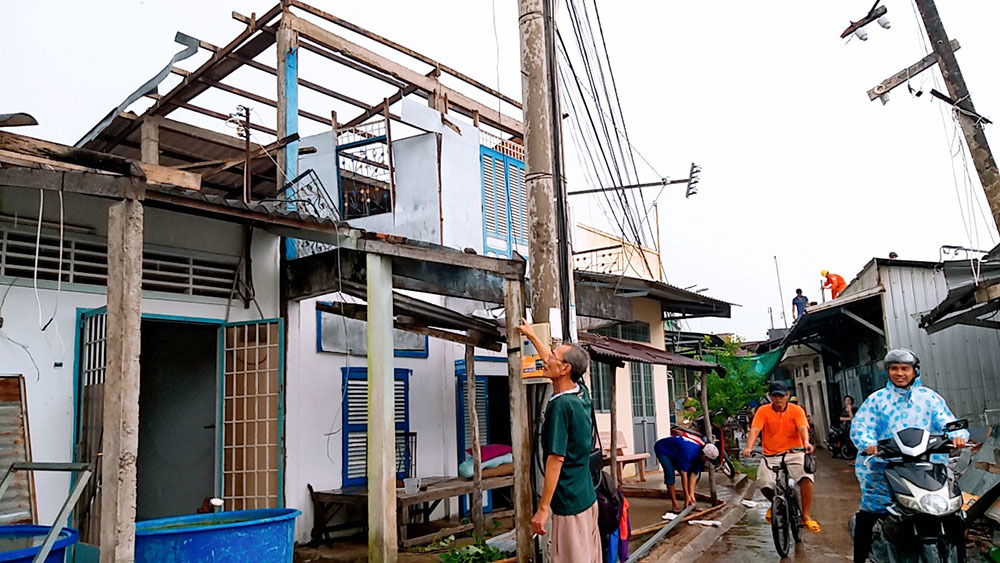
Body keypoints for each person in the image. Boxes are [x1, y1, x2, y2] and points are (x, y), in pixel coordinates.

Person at [849, 349, 969, 563]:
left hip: (928, 467)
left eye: (905, 368)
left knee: (954, 515)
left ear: (915, 371)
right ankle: (859, 558)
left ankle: (960, 557)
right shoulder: (876, 400)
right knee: (870, 513)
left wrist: (957, 435)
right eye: (894, 368)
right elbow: (862, 426)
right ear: (888, 372)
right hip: (886, 467)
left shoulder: (929, 398)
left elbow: (947, 421)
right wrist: (868, 443)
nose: (899, 373)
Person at [518, 322, 600, 563]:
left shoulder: (561, 406)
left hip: (569, 503)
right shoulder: (579, 391)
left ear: (564, 369)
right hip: (585, 496)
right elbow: (552, 360)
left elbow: (556, 459)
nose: (546, 359)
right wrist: (532, 336)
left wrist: (543, 508)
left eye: (552, 357)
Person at [741, 381, 820, 533]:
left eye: (781, 396)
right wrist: (749, 447)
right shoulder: (763, 411)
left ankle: (806, 515)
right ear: (770, 396)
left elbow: (802, 427)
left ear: (787, 395)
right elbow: (755, 430)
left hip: (794, 452)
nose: (778, 399)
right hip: (771, 454)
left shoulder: (796, 410)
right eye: (774, 396)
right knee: (763, 482)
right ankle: (776, 503)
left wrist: (806, 443)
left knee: (806, 477)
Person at [653, 436, 719, 514]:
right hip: (662, 449)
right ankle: (675, 504)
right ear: (704, 456)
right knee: (670, 474)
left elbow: (693, 475)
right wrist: (686, 495)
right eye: (708, 459)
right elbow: (684, 475)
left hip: (676, 451)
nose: (707, 461)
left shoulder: (701, 458)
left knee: (689, 474)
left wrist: (691, 496)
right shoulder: (688, 453)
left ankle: (689, 502)